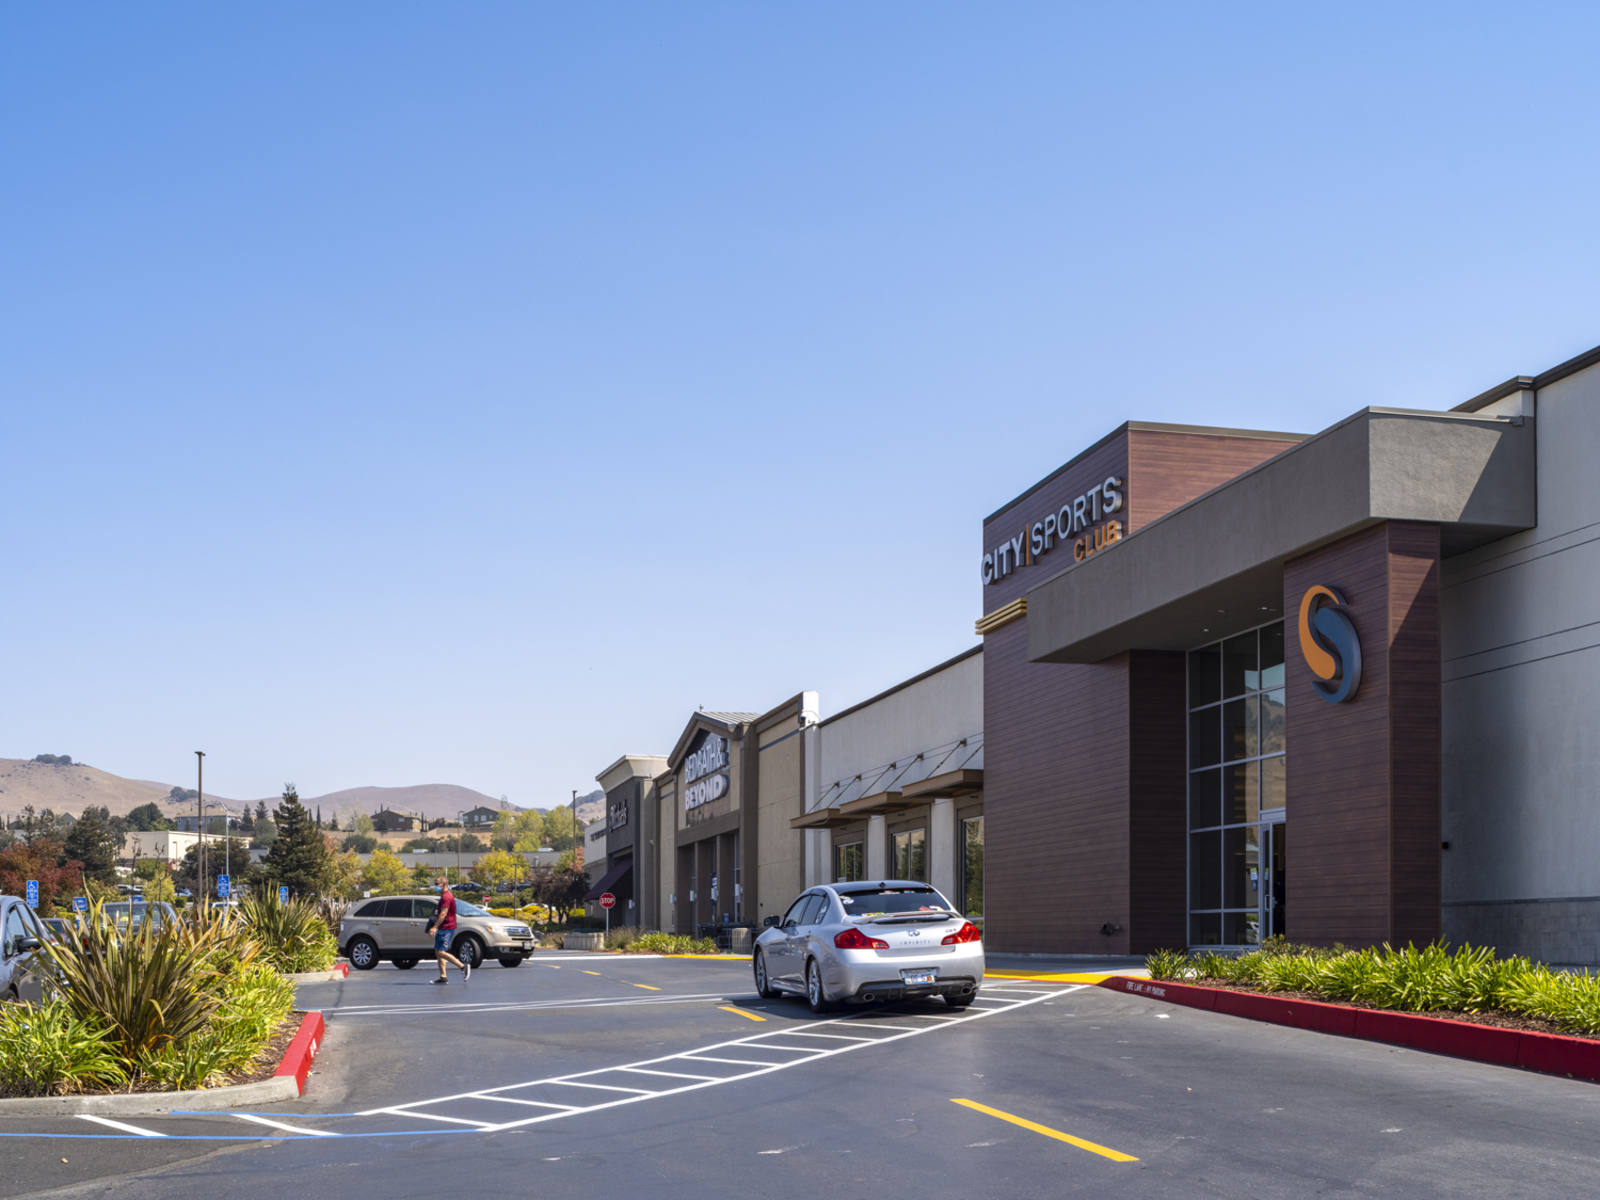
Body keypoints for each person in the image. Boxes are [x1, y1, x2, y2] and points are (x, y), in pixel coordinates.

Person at [426, 876, 470, 984]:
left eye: (437, 884)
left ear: (443, 884)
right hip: (443, 927)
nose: (435, 886)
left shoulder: (446, 897)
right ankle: (443, 977)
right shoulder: (444, 896)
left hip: (446, 928)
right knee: (438, 952)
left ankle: (463, 966)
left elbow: (443, 914)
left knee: (441, 951)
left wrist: (434, 927)